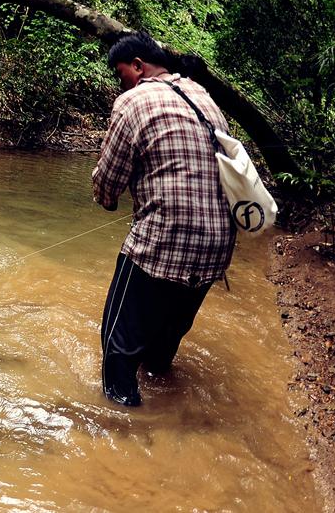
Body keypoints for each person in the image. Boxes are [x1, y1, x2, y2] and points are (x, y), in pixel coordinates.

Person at [91, 32, 236, 406]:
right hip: (218, 245)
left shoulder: (133, 100)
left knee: (116, 345)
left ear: (138, 66)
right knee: (161, 347)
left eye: (121, 74)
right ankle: (167, 409)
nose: (121, 83)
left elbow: (108, 184)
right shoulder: (202, 95)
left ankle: (124, 428)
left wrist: (107, 199)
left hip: (163, 240)